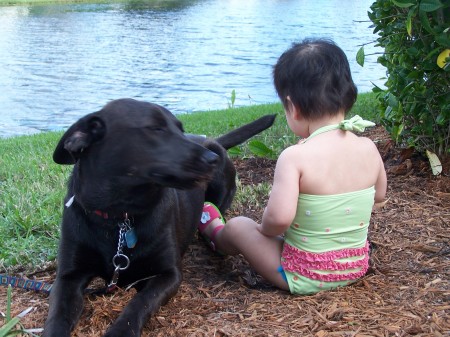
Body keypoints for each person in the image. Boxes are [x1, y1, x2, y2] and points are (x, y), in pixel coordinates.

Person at [198, 38, 387, 295]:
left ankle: (216, 236)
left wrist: (263, 232)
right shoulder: (368, 147)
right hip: (355, 267)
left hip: (304, 275)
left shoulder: (295, 157)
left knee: (240, 226)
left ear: (294, 108)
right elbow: (379, 196)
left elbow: (278, 220)